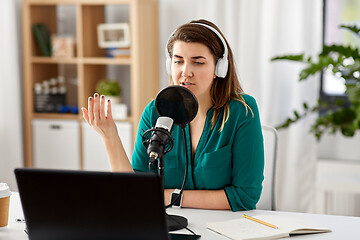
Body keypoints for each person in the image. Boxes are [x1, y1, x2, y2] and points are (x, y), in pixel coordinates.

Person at [82, 19, 264, 212]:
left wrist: (168, 196)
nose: (185, 72)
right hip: (168, 226)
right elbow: (134, 191)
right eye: (178, 61)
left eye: (198, 62)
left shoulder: (243, 111)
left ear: (219, 68)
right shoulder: (155, 111)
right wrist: (110, 136)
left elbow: (245, 197)